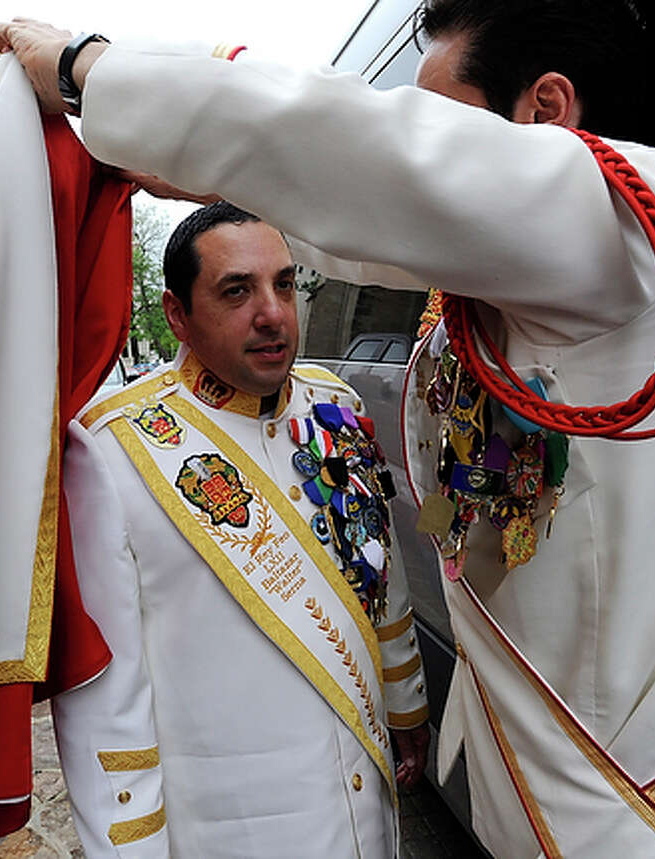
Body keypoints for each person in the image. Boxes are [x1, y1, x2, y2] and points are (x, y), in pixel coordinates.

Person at [0, 2, 655, 855]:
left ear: (547, 117)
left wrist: (95, 67)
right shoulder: (519, 280)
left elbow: (370, 163)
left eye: (439, 126)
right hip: (548, 795)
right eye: (234, 293)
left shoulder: (628, 230)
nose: (271, 315)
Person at [58, 201, 429, 856]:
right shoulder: (113, 449)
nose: (272, 313)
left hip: (367, 814)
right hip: (236, 827)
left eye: (283, 284)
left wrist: (405, 703)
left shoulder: (332, 407)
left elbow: (378, 575)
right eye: (237, 290)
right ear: (177, 314)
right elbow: (108, 701)